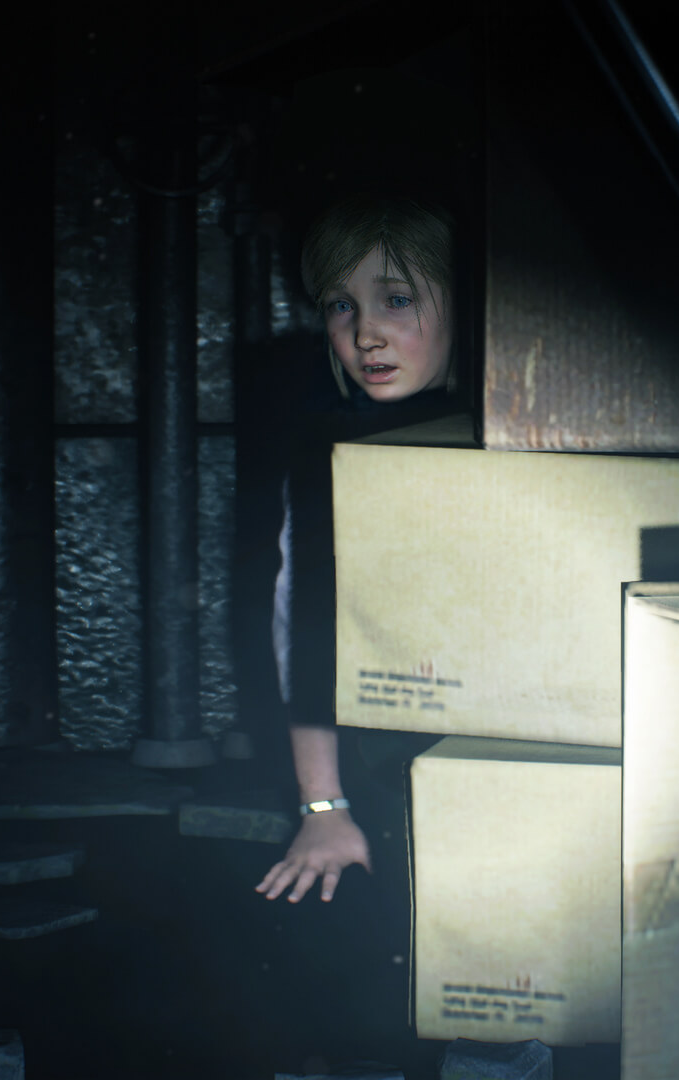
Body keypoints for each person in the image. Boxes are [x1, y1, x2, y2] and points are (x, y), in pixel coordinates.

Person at [253, 192, 462, 906]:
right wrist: (323, 806)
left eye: (396, 300)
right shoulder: (331, 457)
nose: (366, 333)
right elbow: (301, 627)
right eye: (342, 306)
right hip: (387, 766)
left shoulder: (532, 430)